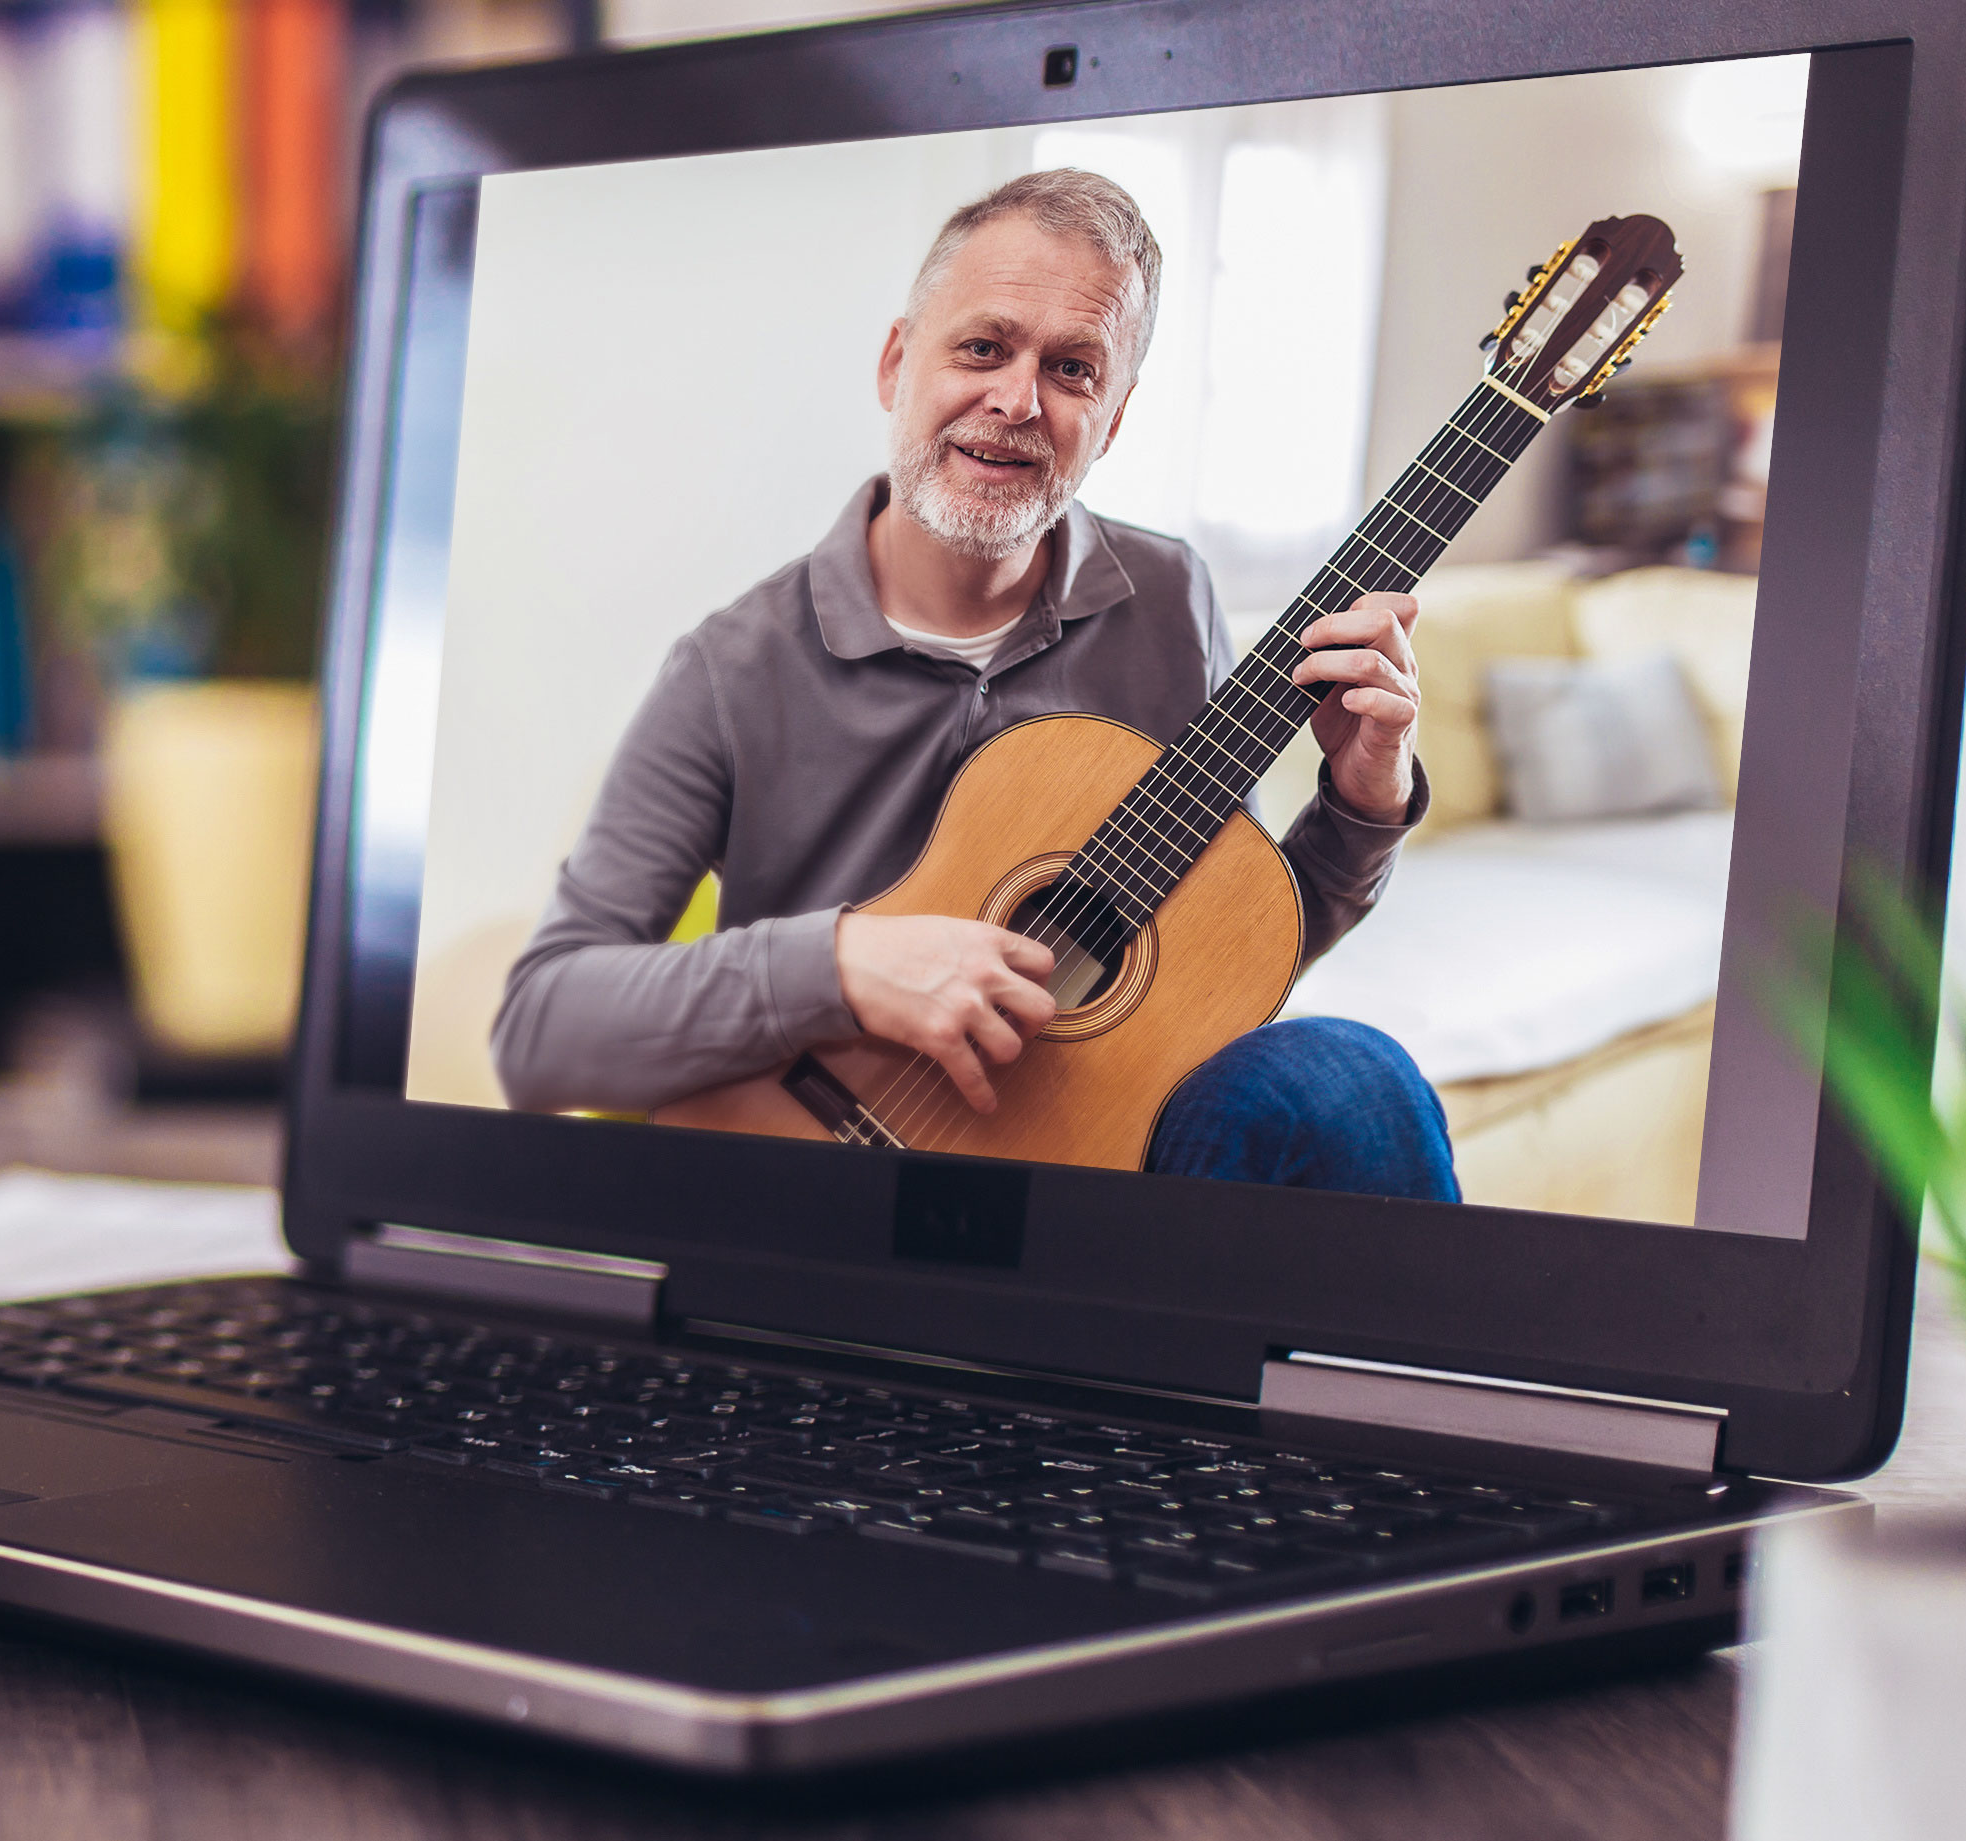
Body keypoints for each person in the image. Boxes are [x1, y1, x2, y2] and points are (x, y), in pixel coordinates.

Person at [486, 165, 1458, 1193]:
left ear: (1114, 421)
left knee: (1349, 1080)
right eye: (984, 347)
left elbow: (1222, 958)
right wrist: (846, 968)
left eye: (1073, 370)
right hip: (832, 1177)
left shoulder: (1171, 598)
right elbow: (544, 1027)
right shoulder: (732, 668)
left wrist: (1361, 801)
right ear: (898, 365)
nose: (1016, 401)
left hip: (1092, 1168)